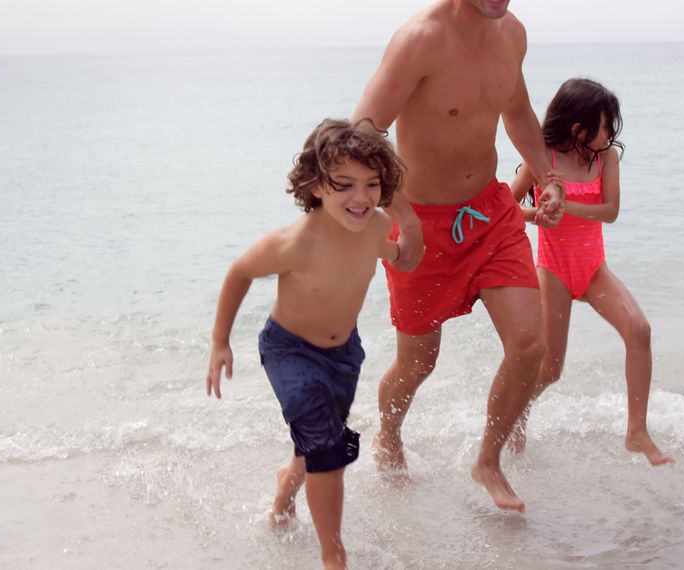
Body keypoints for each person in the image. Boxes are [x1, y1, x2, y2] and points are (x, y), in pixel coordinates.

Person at [352, 0, 564, 512]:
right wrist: (399, 215)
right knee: (418, 362)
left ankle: (487, 461)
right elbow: (361, 132)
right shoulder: (420, 40)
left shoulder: (512, 34)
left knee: (530, 344)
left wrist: (547, 177)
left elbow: (516, 112)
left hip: (491, 213)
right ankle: (389, 434)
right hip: (421, 225)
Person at [206, 118, 404, 570]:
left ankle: (286, 487)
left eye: (372, 184)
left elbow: (392, 254)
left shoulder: (377, 226)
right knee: (328, 453)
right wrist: (220, 342)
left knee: (318, 442)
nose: (361, 196)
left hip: (344, 355)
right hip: (290, 351)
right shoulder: (295, 242)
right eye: (345, 184)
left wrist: (408, 252)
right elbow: (239, 272)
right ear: (316, 186)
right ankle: (333, 554)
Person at [509, 78, 673, 466]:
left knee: (639, 331)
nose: (611, 134)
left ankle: (636, 431)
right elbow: (506, 209)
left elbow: (611, 211)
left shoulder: (606, 159)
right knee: (550, 369)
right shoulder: (542, 160)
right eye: (604, 126)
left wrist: (568, 208)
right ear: (577, 128)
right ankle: (514, 415)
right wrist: (536, 215)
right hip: (554, 272)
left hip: (593, 268)